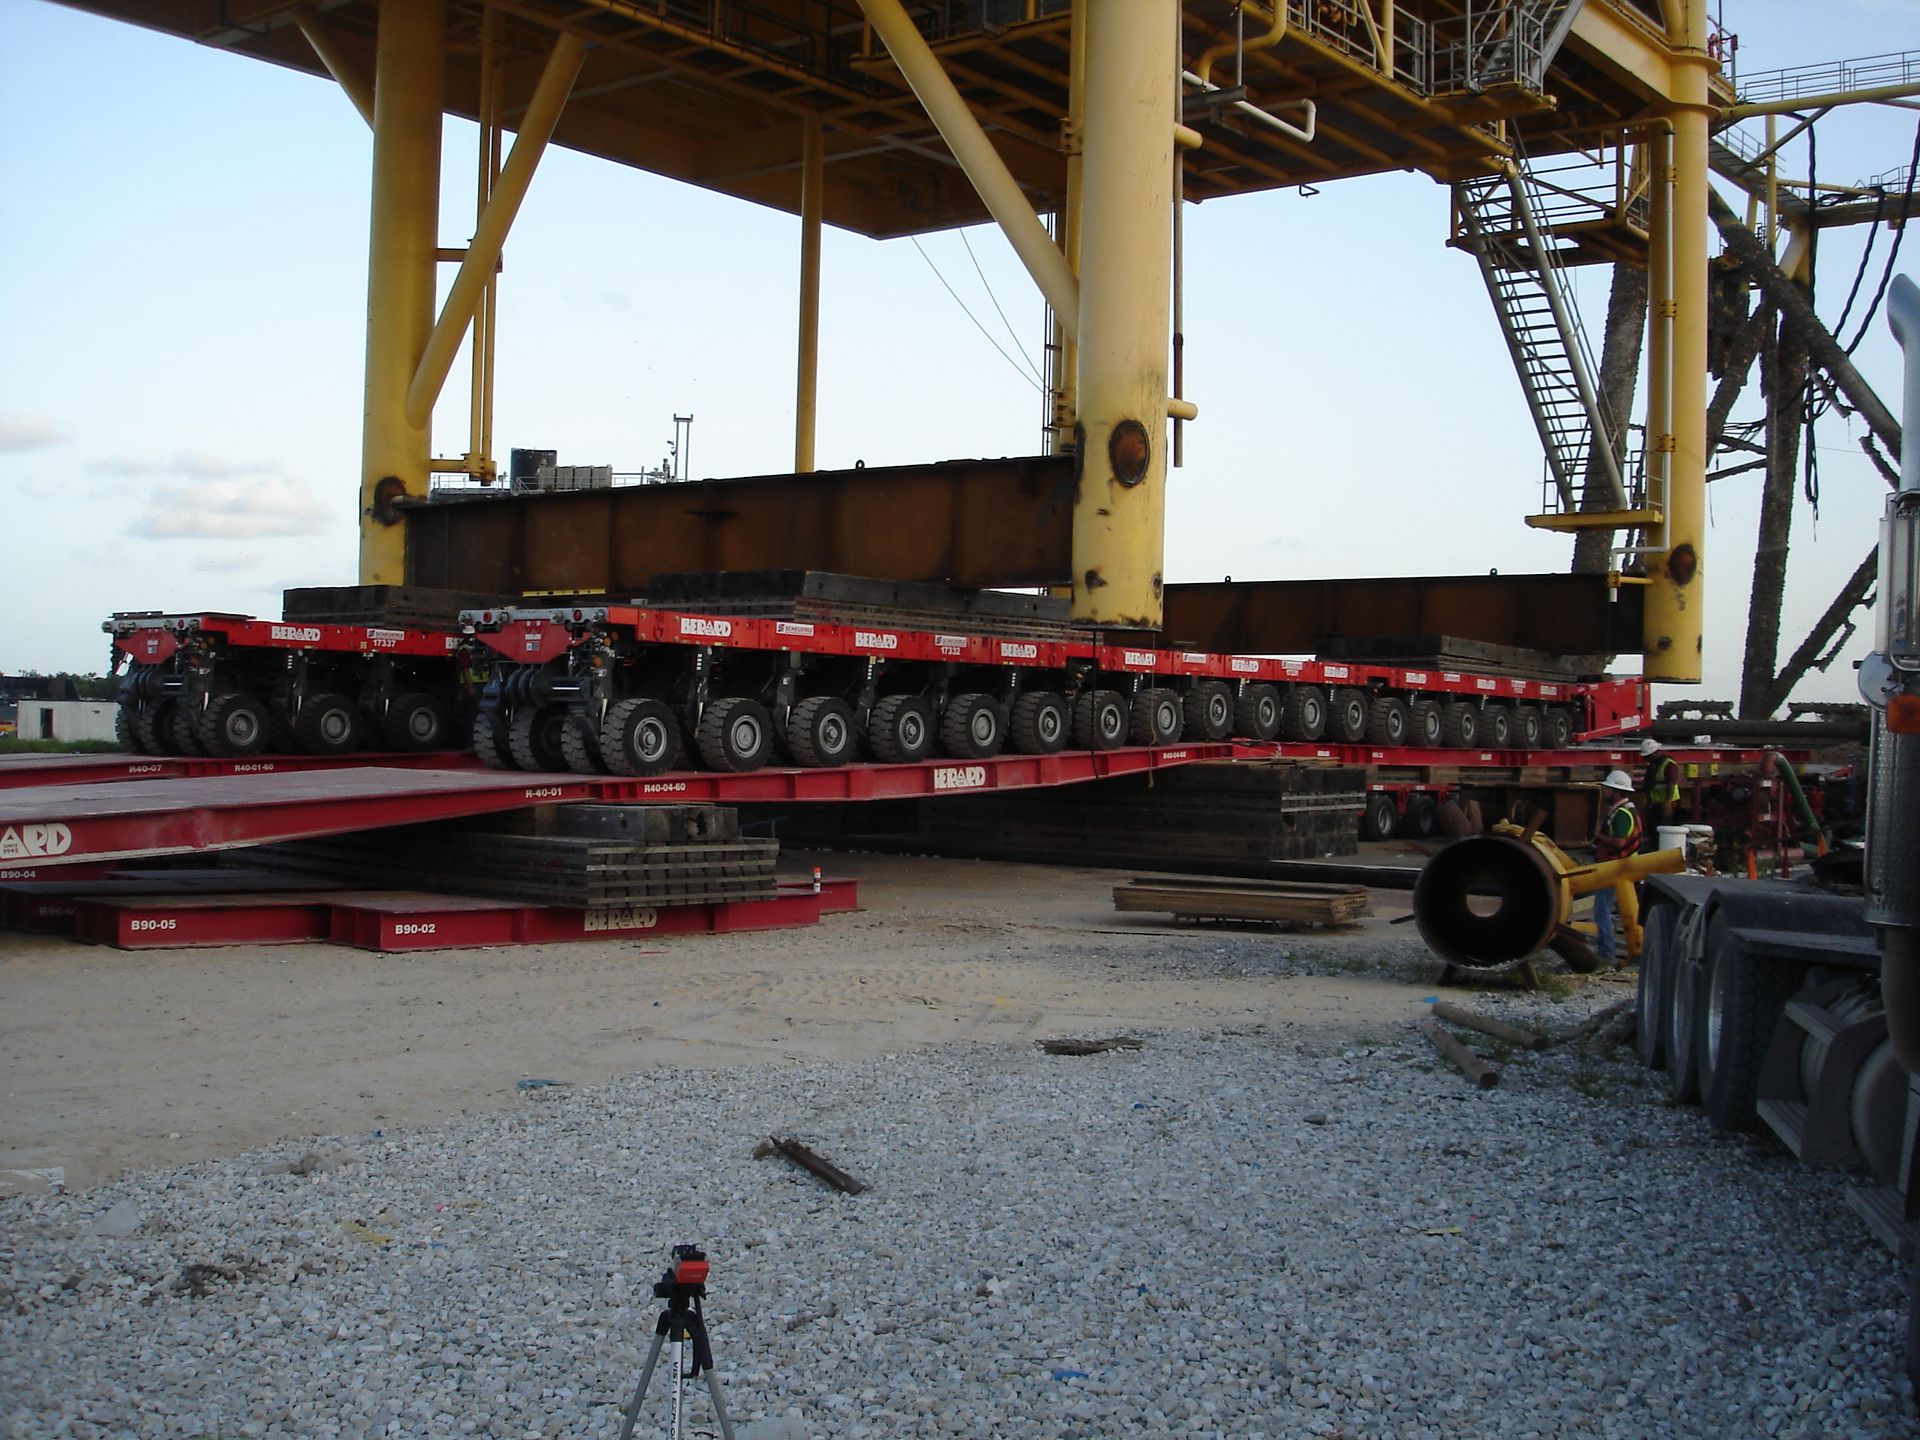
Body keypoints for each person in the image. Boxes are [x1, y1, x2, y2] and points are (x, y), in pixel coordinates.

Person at [1592, 769, 1643, 966]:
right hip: (1622, 866)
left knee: (1601, 910)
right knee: (1623, 910)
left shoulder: (1621, 814)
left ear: (1617, 792)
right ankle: (1633, 950)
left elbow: (1620, 843)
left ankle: (1606, 953)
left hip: (1617, 867)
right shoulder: (1626, 811)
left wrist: (1598, 837)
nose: (1604, 792)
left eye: (1608, 789)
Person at [1640, 737, 1681, 829]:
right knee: (1654, 831)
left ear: (1655, 752)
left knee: (1664, 830)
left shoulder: (1669, 764)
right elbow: (1649, 785)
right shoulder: (1653, 765)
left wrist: (1668, 802)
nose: (1647, 759)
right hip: (1655, 804)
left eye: (1649, 756)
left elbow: (1671, 783)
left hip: (1666, 805)